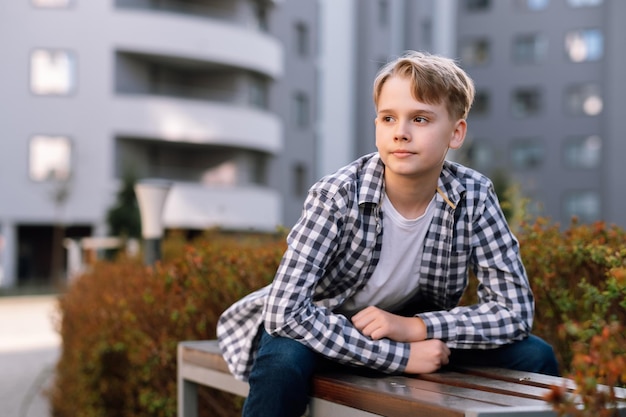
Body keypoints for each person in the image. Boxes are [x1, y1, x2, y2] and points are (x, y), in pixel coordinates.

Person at [217, 50, 559, 417]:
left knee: (536, 356)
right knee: (280, 362)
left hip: (411, 330)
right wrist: (401, 356)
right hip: (322, 326)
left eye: (421, 119)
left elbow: (514, 312)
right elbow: (285, 313)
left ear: (456, 133)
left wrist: (416, 328)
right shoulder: (338, 194)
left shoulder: (474, 196)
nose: (401, 132)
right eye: (388, 118)